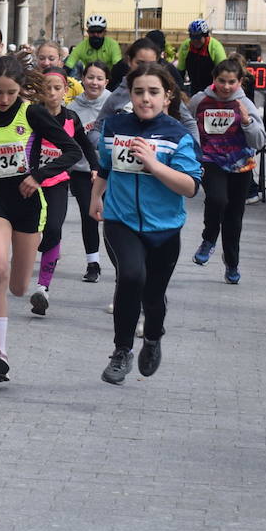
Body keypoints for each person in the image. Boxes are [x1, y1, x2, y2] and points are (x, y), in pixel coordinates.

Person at [0, 55, 80, 381]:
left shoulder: (32, 113)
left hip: (28, 205)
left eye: (10, 92)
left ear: (21, 88)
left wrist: (38, 176)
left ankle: (23, 284)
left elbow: (72, 151)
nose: (4, 99)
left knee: (19, 287)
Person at [91, 63, 203, 385]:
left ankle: (152, 338)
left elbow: (190, 187)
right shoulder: (114, 127)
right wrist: (96, 196)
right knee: (130, 276)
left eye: (153, 92)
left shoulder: (177, 135)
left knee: (153, 296)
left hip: (164, 228)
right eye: (138, 92)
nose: (145, 98)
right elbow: (105, 166)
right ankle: (121, 351)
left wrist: (155, 165)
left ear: (167, 96)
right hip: (120, 220)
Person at [27, 69, 99, 315]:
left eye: (57, 88)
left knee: (54, 229)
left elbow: (84, 144)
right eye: (47, 88)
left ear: (66, 91)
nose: (52, 93)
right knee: (27, 231)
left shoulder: (71, 118)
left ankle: (42, 288)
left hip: (57, 181)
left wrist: (95, 167)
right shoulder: (32, 115)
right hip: (30, 181)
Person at [188, 59, 266, 283]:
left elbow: (260, 141)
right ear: (214, 79)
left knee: (234, 217)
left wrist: (247, 122)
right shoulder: (200, 100)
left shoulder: (245, 103)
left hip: (240, 164)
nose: (226, 86)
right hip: (210, 160)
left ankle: (232, 263)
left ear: (240, 82)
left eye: (232, 82)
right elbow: (185, 122)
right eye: (221, 81)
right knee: (217, 199)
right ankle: (209, 239)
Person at [67, 61, 110, 283]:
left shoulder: (114, 103)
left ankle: (120, 261)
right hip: (82, 171)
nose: (94, 82)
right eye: (90, 77)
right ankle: (93, 263)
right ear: (82, 79)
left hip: (111, 170)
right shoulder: (73, 108)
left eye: (99, 78)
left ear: (106, 82)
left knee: (113, 218)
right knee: (89, 214)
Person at [177, 19, 227, 94]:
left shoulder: (216, 47)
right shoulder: (186, 46)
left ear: (205, 36)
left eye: (198, 37)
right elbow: (180, 71)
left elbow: (223, 72)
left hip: (213, 88)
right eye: (192, 37)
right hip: (194, 87)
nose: (195, 41)